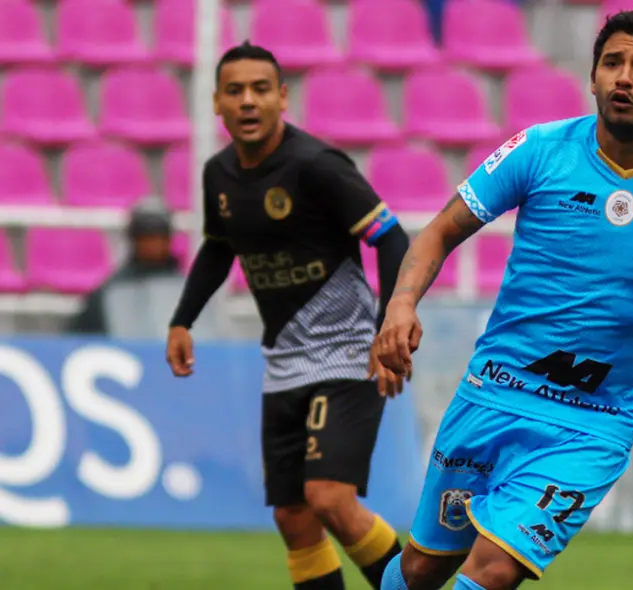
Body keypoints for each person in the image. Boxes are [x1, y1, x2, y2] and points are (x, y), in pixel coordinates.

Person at [375, 10, 633, 590]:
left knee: (495, 569)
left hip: (593, 423)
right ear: (594, 78)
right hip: (494, 393)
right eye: (612, 63)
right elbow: (440, 231)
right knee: (422, 568)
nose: (624, 78)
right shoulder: (539, 150)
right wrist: (401, 303)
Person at [166, 42, 409, 590]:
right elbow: (218, 248)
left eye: (259, 89)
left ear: (281, 97)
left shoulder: (316, 167)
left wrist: (386, 330)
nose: (247, 101)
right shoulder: (220, 175)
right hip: (284, 364)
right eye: (234, 91)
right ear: (216, 103)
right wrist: (183, 320)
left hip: (349, 354)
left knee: (328, 498)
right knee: (293, 518)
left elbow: (392, 239)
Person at [68, 198, 183, 335]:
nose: (154, 244)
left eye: (160, 236)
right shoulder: (111, 292)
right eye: (146, 236)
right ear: (134, 239)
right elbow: (78, 336)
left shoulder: (184, 290)